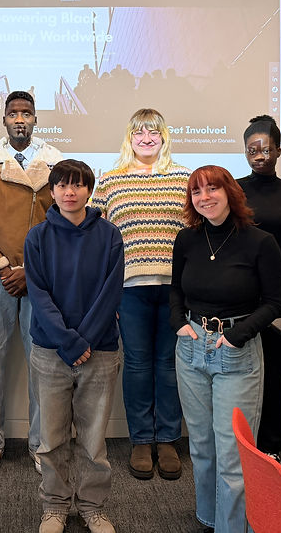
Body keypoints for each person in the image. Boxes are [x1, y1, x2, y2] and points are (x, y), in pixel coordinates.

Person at [170, 165, 281, 533]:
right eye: (197, 192)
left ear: (229, 192)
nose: (205, 198)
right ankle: (210, 519)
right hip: (191, 349)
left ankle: (232, 527)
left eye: (212, 189)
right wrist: (179, 325)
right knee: (202, 448)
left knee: (233, 455)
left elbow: (274, 302)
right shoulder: (186, 240)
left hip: (236, 349)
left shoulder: (260, 242)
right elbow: (175, 291)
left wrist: (239, 335)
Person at [0, 90, 63, 477]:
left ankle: (42, 444)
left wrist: (31, 270)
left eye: (26, 113)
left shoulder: (55, 164)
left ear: (36, 119)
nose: (20, 119)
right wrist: (2, 267)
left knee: (44, 365)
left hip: (41, 281)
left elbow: (64, 220)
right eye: (13, 113)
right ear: (3, 120)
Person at [26, 160, 124, 533]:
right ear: (51, 191)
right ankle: (54, 506)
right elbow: (39, 294)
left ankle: (93, 506)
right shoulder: (37, 237)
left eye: (78, 185)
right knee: (51, 440)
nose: (70, 192)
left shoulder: (110, 235)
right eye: (62, 185)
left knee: (93, 441)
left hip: (99, 350)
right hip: (51, 351)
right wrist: (69, 341)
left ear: (89, 190)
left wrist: (84, 341)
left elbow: (110, 293)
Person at [91, 108, 188, 480]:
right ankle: (140, 441)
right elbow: (99, 240)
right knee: (135, 364)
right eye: (139, 133)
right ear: (129, 137)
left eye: (154, 132)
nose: (146, 138)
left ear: (164, 136)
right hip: (129, 290)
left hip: (175, 289)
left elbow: (194, 233)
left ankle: (167, 439)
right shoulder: (111, 180)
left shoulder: (183, 178)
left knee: (168, 365)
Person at [237, 115, 281, 463]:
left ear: (278, 150)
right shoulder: (234, 189)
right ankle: (243, 443)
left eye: (265, 149)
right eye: (252, 150)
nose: (259, 156)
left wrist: (270, 272)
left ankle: (271, 446)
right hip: (240, 292)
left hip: (278, 293)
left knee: (275, 371)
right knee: (241, 370)